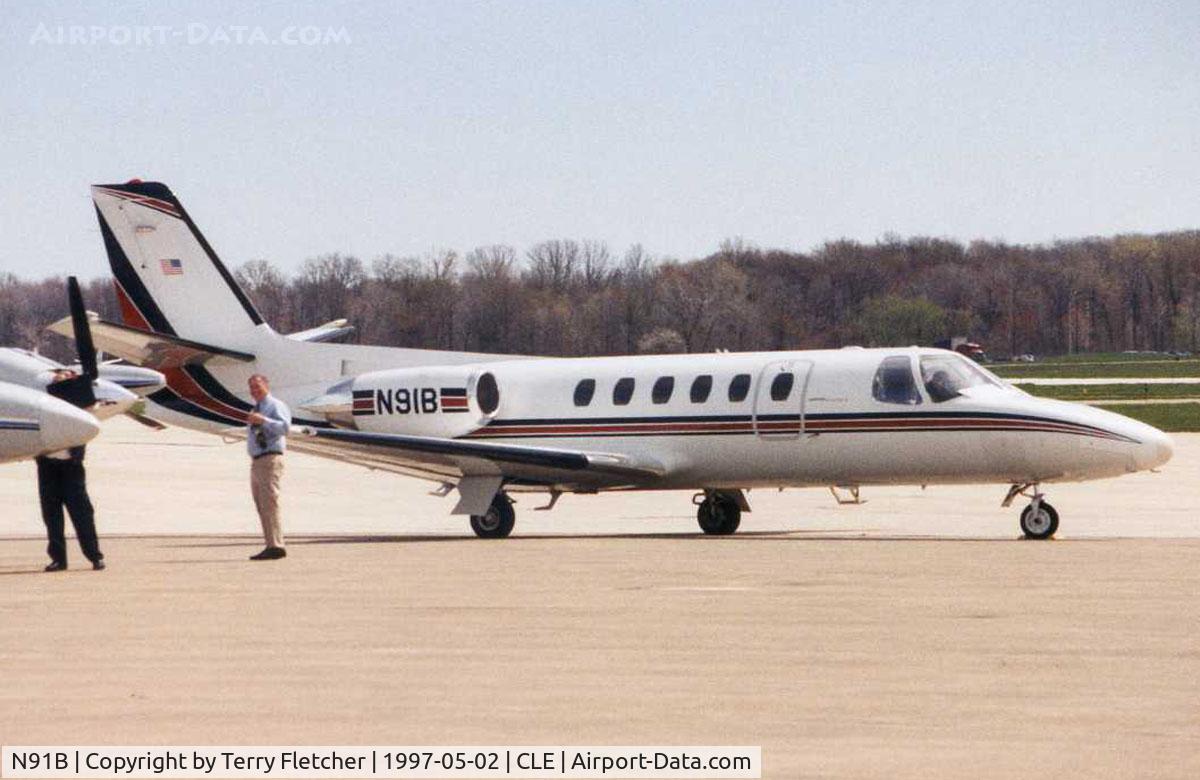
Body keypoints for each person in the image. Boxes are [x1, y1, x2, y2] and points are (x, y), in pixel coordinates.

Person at [38, 369, 104, 572]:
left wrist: (76, 382)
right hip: (48, 466)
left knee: (82, 513)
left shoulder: (80, 407)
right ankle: (58, 559)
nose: (60, 378)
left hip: (71, 467)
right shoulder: (44, 402)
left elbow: (92, 407)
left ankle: (94, 556)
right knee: (52, 515)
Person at [246, 373, 291, 561]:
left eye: (258, 386)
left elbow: (285, 428)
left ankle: (276, 545)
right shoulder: (256, 408)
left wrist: (263, 421)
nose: (255, 391)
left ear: (266, 385)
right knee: (262, 504)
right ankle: (271, 543)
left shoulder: (274, 405)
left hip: (270, 459)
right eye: (252, 388)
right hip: (257, 460)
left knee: (269, 503)